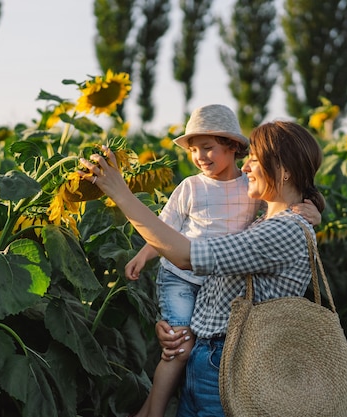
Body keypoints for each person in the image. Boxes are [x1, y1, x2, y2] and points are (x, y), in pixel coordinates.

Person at [79, 119, 325, 417]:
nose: (245, 168)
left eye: (254, 160)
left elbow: (186, 255)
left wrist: (121, 194)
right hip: (206, 360)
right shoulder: (265, 222)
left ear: (284, 172)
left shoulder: (283, 230)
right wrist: (177, 328)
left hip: (230, 368)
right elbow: (220, 293)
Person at [124, 104, 262, 417]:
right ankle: (155, 411)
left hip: (219, 283)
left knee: (205, 347)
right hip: (180, 277)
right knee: (180, 347)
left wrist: (313, 208)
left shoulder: (250, 188)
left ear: (232, 147)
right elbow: (165, 227)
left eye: (208, 148)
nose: (200, 157)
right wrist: (143, 255)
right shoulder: (191, 186)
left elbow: (281, 204)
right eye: (194, 150)